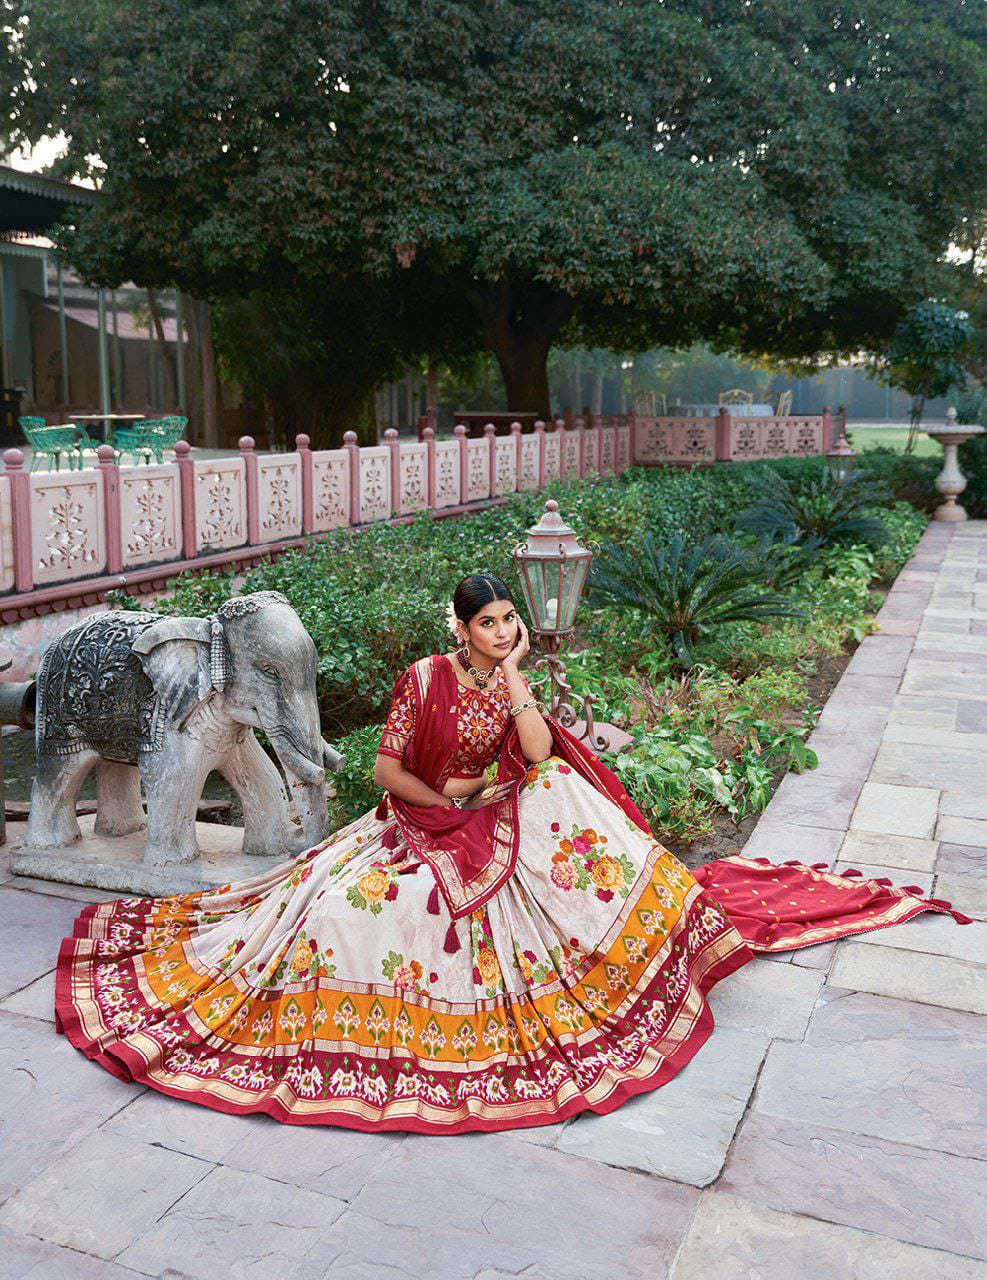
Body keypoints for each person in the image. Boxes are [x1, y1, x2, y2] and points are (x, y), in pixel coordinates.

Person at [54, 573, 969, 1134]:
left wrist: (520, 679)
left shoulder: (505, 677)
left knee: (564, 806)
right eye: (486, 624)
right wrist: (442, 795)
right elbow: (382, 768)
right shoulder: (423, 681)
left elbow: (534, 758)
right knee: (352, 911)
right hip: (422, 820)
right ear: (458, 629)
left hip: (494, 816)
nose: (498, 633)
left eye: (507, 622)